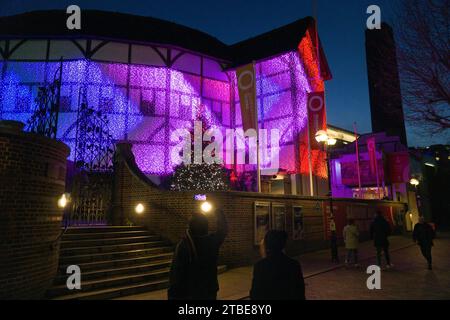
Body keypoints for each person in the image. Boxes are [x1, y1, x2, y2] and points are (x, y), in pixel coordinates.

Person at [168, 208, 228, 300]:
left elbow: (176, 274)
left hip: (190, 292)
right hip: (209, 290)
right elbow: (222, 231)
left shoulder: (184, 245)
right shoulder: (211, 241)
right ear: (206, 227)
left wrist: (172, 295)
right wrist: (219, 212)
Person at [250, 230, 305, 300]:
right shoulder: (293, 264)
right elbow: (300, 292)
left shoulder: (260, 266)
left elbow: (255, 294)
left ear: (267, 245)